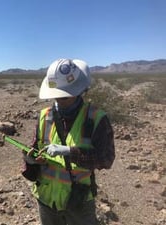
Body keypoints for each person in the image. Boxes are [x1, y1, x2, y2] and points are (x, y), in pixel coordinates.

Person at [21, 59, 115, 225]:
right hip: (46, 199)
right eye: (55, 95)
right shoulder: (45, 116)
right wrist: (30, 159)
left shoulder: (96, 119)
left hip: (78, 201)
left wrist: (70, 152)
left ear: (79, 91)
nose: (58, 100)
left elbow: (106, 159)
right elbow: (36, 147)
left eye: (63, 96)